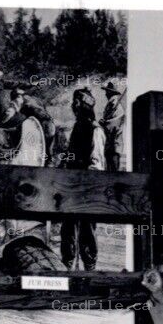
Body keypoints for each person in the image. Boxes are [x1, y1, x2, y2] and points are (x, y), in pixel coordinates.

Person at [59, 87, 107, 270]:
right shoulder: (78, 128)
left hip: (87, 189)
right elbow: (71, 155)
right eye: (74, 103)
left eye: (77, 103)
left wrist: (86, 186)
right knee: (68, 230)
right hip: (71, 187)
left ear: (84, 106)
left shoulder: (95, 131)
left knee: (87, 232)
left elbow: (96, 163)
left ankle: (89, 270)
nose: (73, 106)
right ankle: (68, 266)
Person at [100, 81, 126, 172]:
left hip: (115, 145)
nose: (106, 93)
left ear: (111, 92)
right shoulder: (111, 105)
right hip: (110, 145)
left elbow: (115, 124)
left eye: (107, 91)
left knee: (114, 171)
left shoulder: (116, 106)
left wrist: (104, 123)